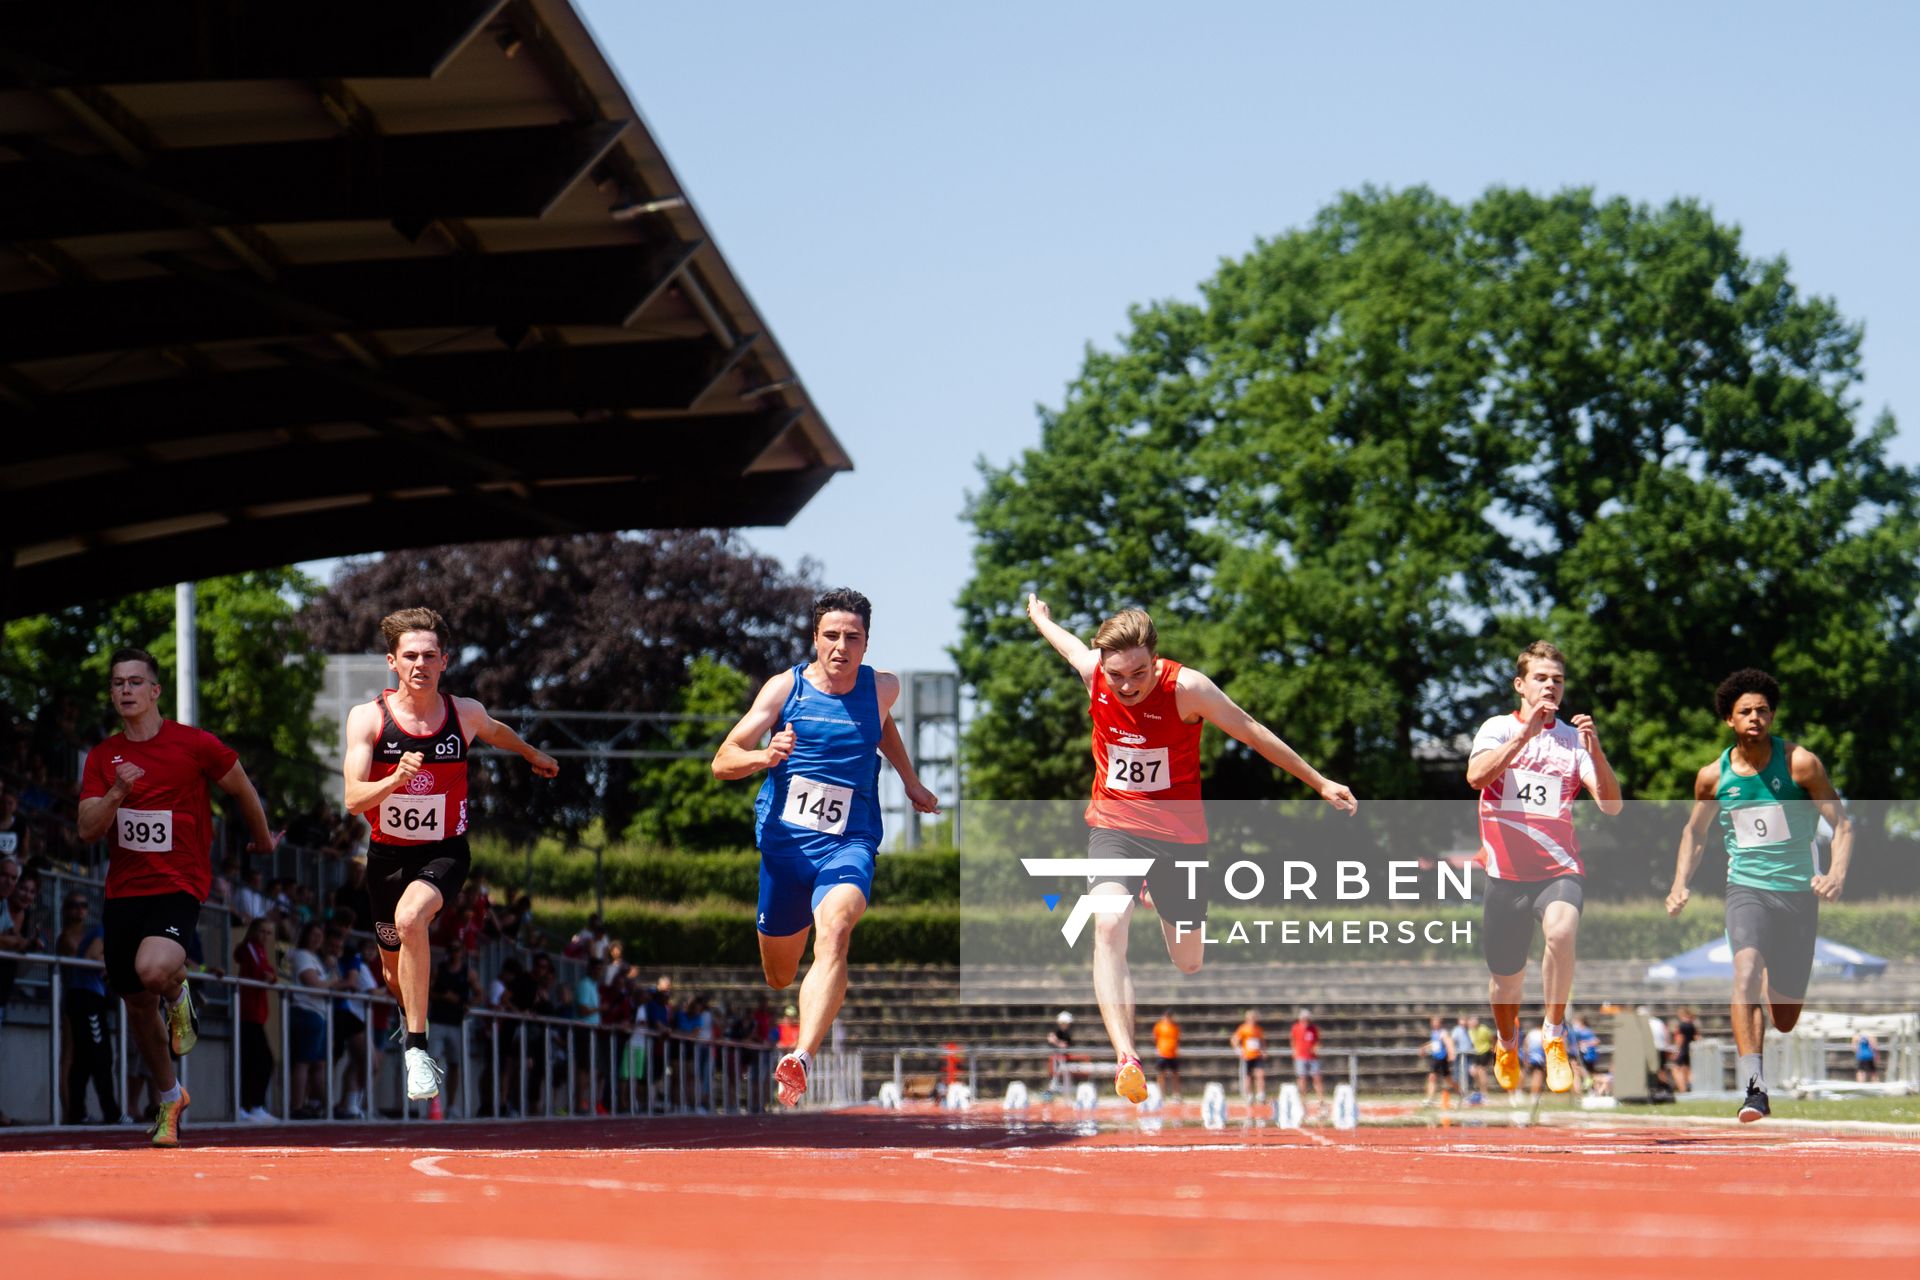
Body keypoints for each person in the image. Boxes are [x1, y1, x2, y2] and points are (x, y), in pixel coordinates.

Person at [1026, 596, 1356, 1104]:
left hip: (1180, 838)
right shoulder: (1094, 672)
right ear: (1104, 667)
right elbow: (1069, 646)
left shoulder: (1188, 688)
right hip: (1115, 824)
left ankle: (1160, 900)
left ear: (1155, 660)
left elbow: (1252, 731)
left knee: (1188, 960)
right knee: (1109, 923)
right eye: (1118, 676)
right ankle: (1126, 1058)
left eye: (1139, 672)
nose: (1129, 685)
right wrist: (1042, 620)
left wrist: (1319, 782)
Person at [711, 588, 940, 1106]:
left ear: (866, 642)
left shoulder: (882, 687)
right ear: (815, 638)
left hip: (849, 841)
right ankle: (788, 978)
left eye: (852, 637)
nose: (841, 646)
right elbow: (722, 760)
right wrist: (764, 756)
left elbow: (882, 730)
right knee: (779, 976)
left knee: (836, 929)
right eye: (831, 636)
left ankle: (801, 1056)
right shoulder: (784, 689)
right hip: (786, 848)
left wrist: (910, 781)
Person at [343, 607, 558, 1108]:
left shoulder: (465, 713)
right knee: (393, 975)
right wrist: (395, 778)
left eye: (429, 656)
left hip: (444, 850)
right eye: (410, 656)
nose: (420, 664)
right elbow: (353, 799)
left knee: (412, 916)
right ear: (393, 663)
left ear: (445, 661)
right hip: (386, 858)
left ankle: (418, 1051)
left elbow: (498, 731)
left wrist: (530, 753)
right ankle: (409, 1020)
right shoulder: (369, 717)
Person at [75, 647, 278, 1147]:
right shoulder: (104, 757)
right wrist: (118, 793)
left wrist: (263, 838)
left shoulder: (193, 744)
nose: (125, 691)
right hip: (124, 890)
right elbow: (86, 830)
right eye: (117, 683)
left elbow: (241, 787)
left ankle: (179, 990)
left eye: (135, 682)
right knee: (137, 1007)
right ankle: (170, 1098)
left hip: (179, 882)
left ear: (155, 690)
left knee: (153, 969)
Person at [1667, 668, 1851, 1124]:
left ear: (1772, 716)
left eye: (1763, 710)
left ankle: (1773, 985)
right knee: (1745, 968)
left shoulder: (1799, 764)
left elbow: (1843, 823)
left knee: (1785, 1016)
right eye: (1746, 711)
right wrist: (1679, 882)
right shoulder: (1713, 777)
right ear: (1730, 720)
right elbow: (1694, 833)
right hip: (1746, 888)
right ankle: (1755, 1090)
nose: (1756, 717)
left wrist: (1836, 873)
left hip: (1798, 894)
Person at [1466, 640, 1621, 1098]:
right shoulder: (1496, 728)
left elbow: (1611, 806)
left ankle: (1554, 1034)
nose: (1551, 685)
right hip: (1504, 874)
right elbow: (1476, 778)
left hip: (1559, 868)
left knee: (1561, 932)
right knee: (1504, 982)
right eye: (1541, 677)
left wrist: (1596, 753)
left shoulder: (1574, 740)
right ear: (1521, 685)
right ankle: (1507, 1040)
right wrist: (1524, 736)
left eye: (1557, 679)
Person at [56, 891, 119, 1124]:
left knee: (82, 1057)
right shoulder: (94, 933)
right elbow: (92, 959)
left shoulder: (92, 933)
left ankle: (75, 1111)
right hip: (80, 998)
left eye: (83, 905)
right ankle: (88, 1111)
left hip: (81, 997)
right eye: (74, 905)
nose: (79, 910)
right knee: (87, 1055)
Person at [233, 915, 278, 1122]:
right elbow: (259, 969)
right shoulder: (249, 947)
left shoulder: (260, 950)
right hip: (247, 1013)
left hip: (257, 1014)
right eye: (262, 931)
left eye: (269, 933)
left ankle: (254, 1105)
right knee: (256, 1060)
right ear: (253, 931)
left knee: (261, 1060)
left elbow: (269, 972)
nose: (265, 936)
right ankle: (247, 1106)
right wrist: (266, 975)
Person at [428, 939, 480, 1118]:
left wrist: (469, 1004)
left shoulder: (468, 973)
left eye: (458, 950)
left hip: (456, 1022)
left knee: (454, 1064)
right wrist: (444, 996)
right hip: (438, 1020)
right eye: (452, 950)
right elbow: (428, 991)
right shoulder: (439, 969)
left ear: (462, 952)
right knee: (432, 1061)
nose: (455, 953)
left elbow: (480, 993)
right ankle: (433, 1103)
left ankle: (451, 1105)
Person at [1290, 1007, 1324, 1113]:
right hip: (1301, 1057)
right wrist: (1294, 1051)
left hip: (1313, 1057)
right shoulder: (1296, 1028)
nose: (1305, 1021)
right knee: (1302, 1078)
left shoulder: (1313, 1028)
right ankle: (1303, 1101)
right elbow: (1293, 1040)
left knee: (1317, 1078)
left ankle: (1321, 1100)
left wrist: (1317, 1047)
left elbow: (1318, 1041)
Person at [1231, 1009, 1268, 1102]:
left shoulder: (1258, 1029)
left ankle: (1260, 1094)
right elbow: (1234, 1040)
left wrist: (1263, 1051)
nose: (1253, 1020)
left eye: (1254, 1018)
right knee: (1248, 1076)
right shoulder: (1243, 1029)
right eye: (1251, 1018)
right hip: (1247, 1056)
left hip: (1257, 1055)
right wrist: (1239, 1051)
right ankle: (1249, 1095)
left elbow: (1262, 1041)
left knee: (1260, 1074)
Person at [1422, 1016, 1454, 1104]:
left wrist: (1451, 1054)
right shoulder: (1434, 1032)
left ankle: (1460, 1093)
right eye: (1433, 1022)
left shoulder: (1443, 1032)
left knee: (1448, 1079)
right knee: (1432, 1077)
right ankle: (1430, 1098)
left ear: (1440, 1023)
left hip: (1442, 1058)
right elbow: (1434, 1043)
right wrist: (1424, 1047)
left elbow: (1449, 1042)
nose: (1434, 1024)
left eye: (1436, 1022)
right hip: (1435, 1058)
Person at [1152, 1010, 1182, 1100]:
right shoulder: (1159, 1026)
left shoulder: (1175, 1027)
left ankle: (1176, 1094)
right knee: (1161, 1074)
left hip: (1173, 1054)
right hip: (1163, 1053)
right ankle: (1161, 1094)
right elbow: (1155, 1037)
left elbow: (1177, 1038)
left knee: (1175, 1074)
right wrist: (1158, 1048)